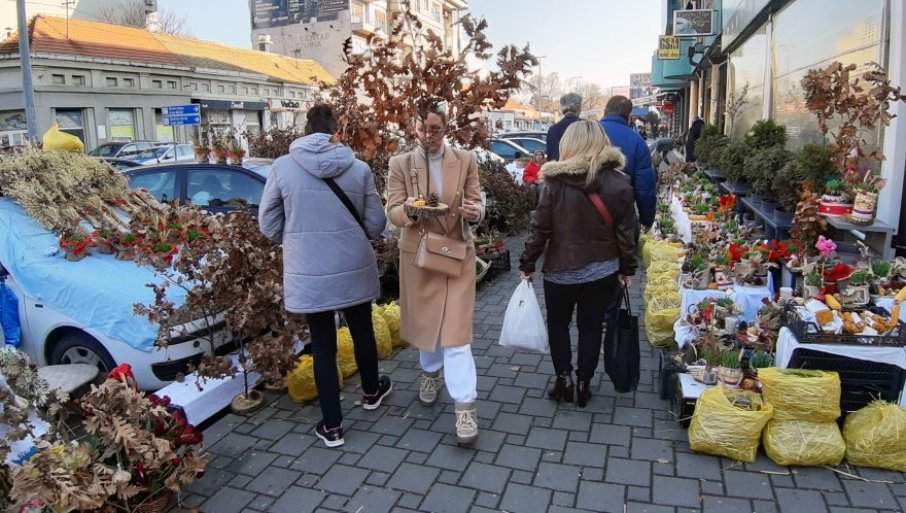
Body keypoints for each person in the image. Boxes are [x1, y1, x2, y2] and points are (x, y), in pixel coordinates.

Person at [259, 104, 392, 448]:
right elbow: (377, 224)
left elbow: (268, 223)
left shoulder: (282, 168)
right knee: (361, 329)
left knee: (322, 345)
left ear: (305, 129)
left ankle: (332, 426)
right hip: (353, 264)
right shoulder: (359, 169)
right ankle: (371, 391)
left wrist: (296, 238)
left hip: (309, 270)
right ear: (337, 131)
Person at [519, 120, 639, 407]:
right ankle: (585, 383)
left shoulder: (553, 184)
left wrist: (527, 263)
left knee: (558, 325)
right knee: (591, 326)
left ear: (568, 144)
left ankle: (564, 380)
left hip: (560, 271)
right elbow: (627, 233)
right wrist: (627, 269)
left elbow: (540, 229)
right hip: (603, 270)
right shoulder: (619, 183)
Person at [386, 105, 484, 444]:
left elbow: (477, 203)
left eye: (436, 129)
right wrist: (411, 211)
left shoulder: (466, 159)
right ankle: (430, 373)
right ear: (414, 127)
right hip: (420, 256)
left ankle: (465, 409)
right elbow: (394, 212)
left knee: (456, 336)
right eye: (423, 128)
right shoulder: (400, 164)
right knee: (429, 327)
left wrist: (475, 212)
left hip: (457, 254)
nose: (429, 135)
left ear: (445, 128)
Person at [599, 95, 657, 230]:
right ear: (628, 115)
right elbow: (645, 188)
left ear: (606, 110)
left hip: (584, 213)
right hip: (620, 217)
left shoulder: (589, 133)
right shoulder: (636, 141)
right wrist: (647, 220)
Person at [546, 93, 582, 161]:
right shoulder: (586, 127)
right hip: (581, 169)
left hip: (558, 169)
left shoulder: (552, 130)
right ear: (578, 107)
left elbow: (551, 156)